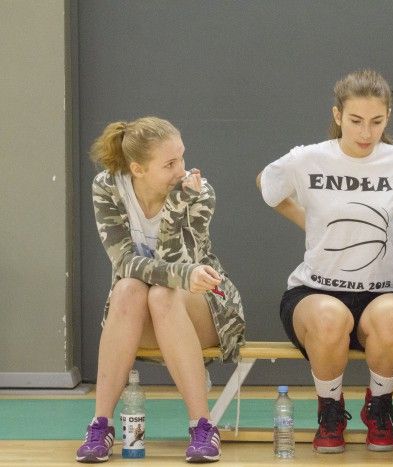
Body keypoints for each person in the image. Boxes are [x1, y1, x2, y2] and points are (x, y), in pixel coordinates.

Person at [257, 69, 393, 453]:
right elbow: (267, 185)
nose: (366, 132)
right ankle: (330, 409)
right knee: (330, 318)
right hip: (316, 291)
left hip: (385, 291)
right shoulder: (310, 158)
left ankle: (378, 407)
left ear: (387, 118)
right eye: (356, 121)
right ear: (338, 116)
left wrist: (384, 223)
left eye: (377, 122)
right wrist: (308, 220)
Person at [76, 117, 245, 463]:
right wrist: (181, 275)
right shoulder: (107, 187)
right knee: (128, 289)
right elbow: (124, 262)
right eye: (169, 164)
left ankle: (202, 425)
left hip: (208, 306)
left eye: (181, 157)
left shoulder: (199, 193)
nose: (181, 170)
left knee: (162, 293)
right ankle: (100, 424)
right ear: (137, 169)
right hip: (143, 308)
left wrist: (177, 204)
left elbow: (180, 264)